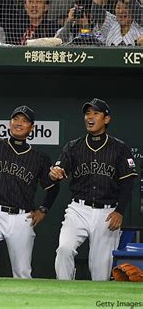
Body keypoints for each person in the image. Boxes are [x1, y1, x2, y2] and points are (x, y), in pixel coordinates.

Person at [0, 90, 59, 278]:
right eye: (15, 119)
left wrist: (43, 209)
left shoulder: (39, 158)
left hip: (21, 219)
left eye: (24, 120)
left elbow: (53, 187)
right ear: (10, 123)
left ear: (32, 127)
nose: (18, 123)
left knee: (22, 272)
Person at [50, 98, 138, 281]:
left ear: (106, 119)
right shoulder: (73, 147)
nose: (90, 117)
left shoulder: (119, 148)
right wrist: (55, 173)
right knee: (64, 249)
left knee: (100, 271)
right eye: (87, 113)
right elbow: (58, 171)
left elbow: (128, 182)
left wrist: (120, 211)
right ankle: (64, 292)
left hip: (107, 212)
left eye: (96, 113)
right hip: (78, 209)